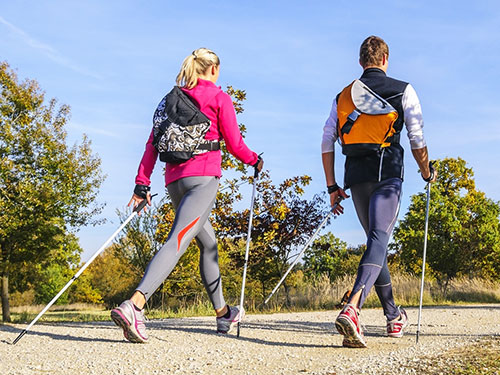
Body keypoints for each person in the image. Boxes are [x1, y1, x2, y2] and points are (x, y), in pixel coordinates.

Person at [111, 48, 264, 343]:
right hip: (203, 180)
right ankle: (135, 304)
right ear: (214, 70)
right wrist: (255, 160)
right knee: (178, 240)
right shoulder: (219, 97)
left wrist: (141, 184)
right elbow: (234, 143)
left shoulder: (172, 99)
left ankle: (222, 313)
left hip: (174, 182)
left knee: (208, 243)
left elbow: (152, 143)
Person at [321, 36, 436, 348]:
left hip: (355, 178)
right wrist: (426, 170)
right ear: (386, 59)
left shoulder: (343, 96)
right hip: (387, 176)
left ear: (361, 62)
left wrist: (332, 186)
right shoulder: (404, 90)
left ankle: (392, 315)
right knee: (379, 239)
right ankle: (353, 307)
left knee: (376, 240)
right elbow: (416, 137)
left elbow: (327, 140)